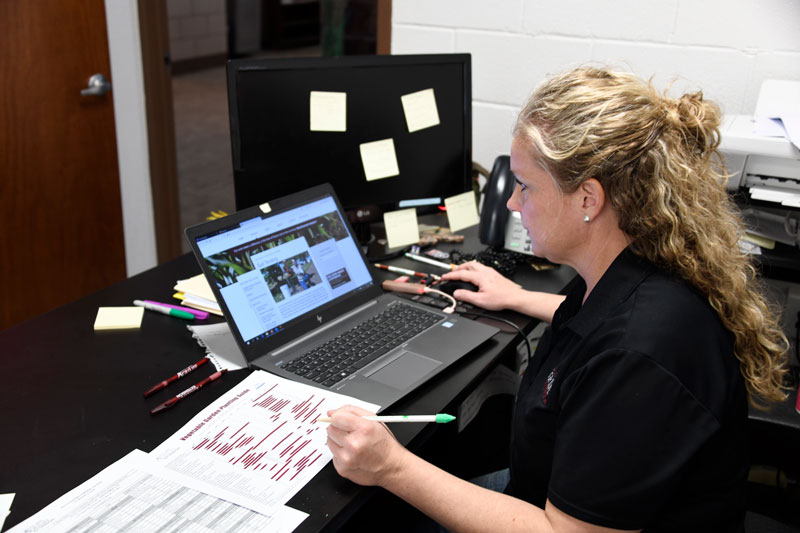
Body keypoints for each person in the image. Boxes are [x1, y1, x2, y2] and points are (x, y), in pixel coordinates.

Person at [325, 67, 789, 531]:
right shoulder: (636, 266)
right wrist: (520, 297)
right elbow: (600, 325)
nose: (510, 203)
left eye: (524, 186)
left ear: (588, 198)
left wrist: (392, 465)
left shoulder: (640, 356)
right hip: (546, 487)